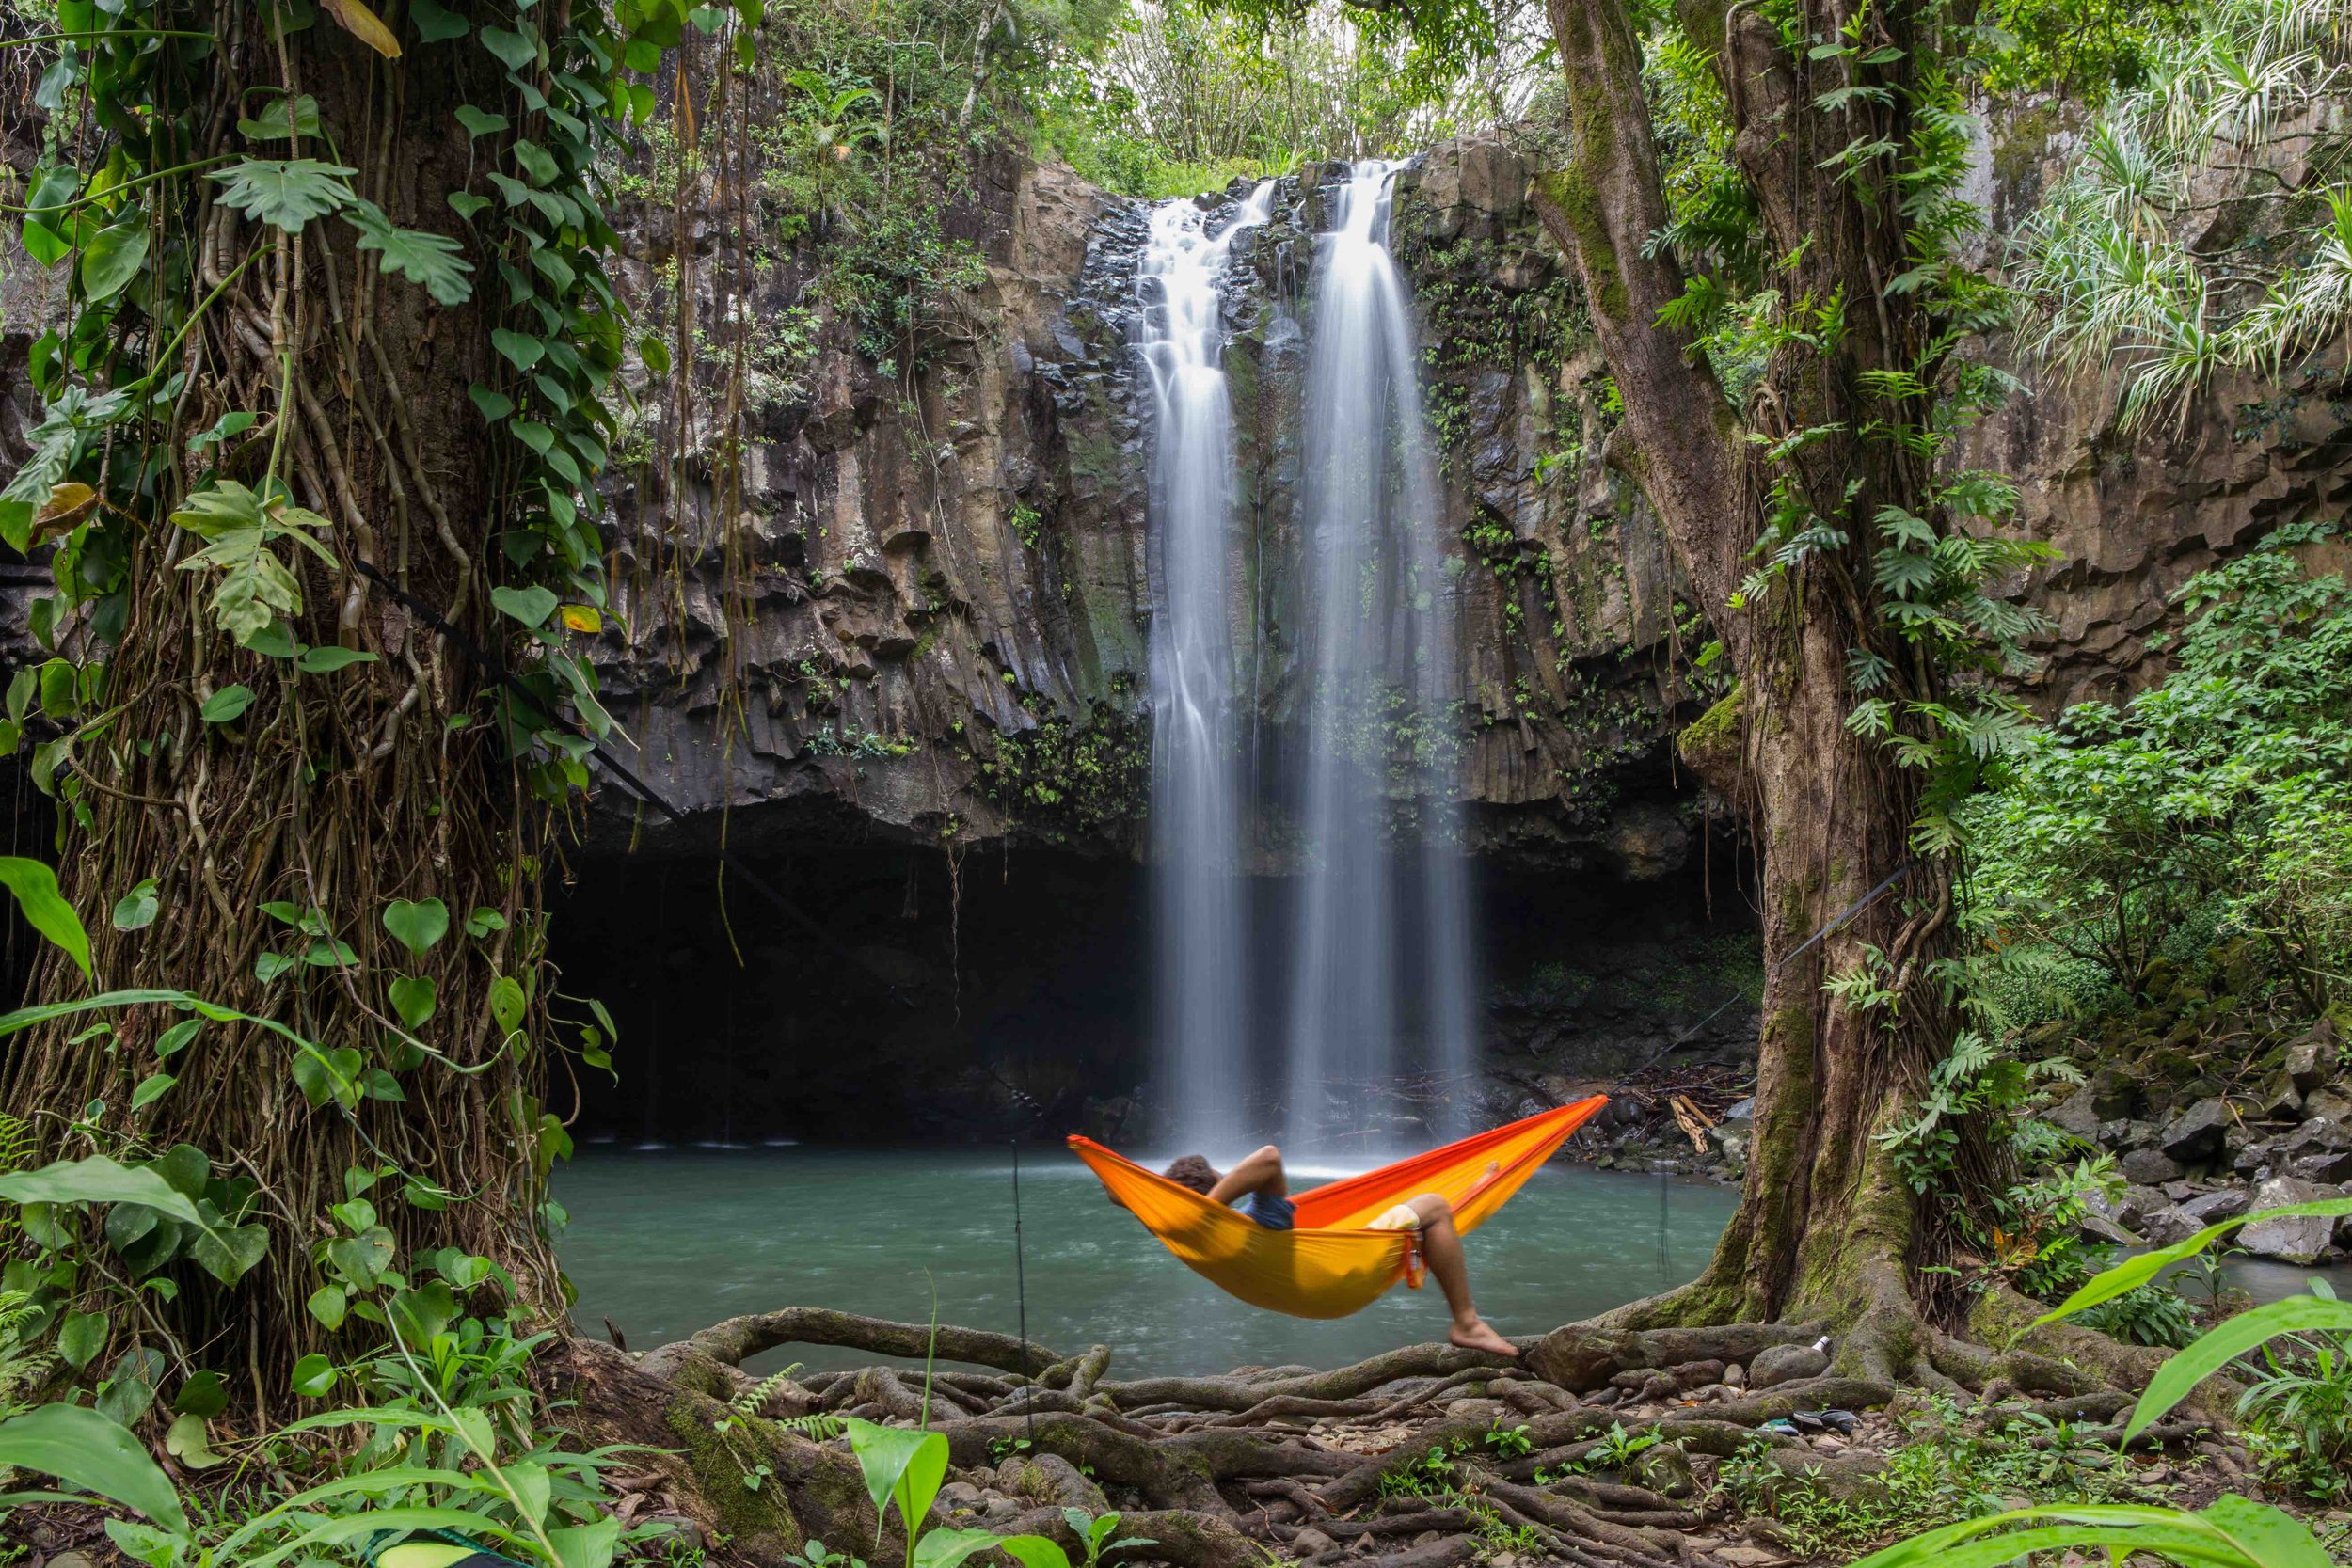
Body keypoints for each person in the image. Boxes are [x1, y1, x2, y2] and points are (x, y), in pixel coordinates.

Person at [1161, 1145, 1518, 1356]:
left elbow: (1122, 1193)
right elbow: (1269, 1158)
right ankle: (1467, 1323)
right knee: (1434, 1207)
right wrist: (1211, 1209)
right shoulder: (1251, 1223)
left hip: (1300, 1296)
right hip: (1337, 1278)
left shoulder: (1180, 1235)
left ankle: (1478, 1186)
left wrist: (1192, 1213)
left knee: (1420, 1219)